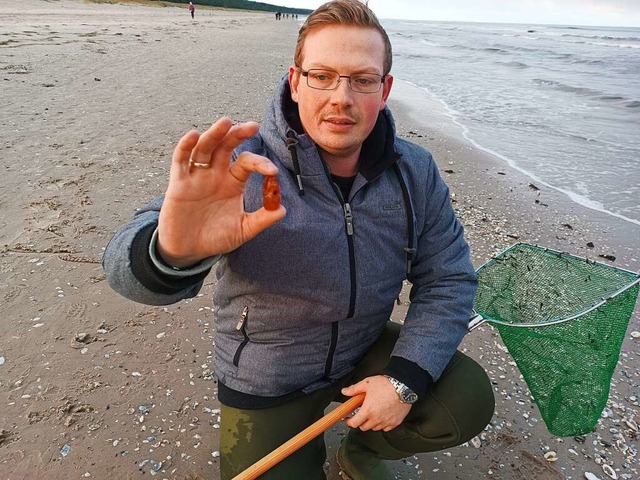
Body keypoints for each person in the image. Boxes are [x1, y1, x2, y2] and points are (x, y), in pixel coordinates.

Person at [102, 0, 495, 478]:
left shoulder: (415, 172)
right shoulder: (244, 166)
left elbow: (449, 278)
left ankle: (361, 451)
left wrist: (404, 380)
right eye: (322, 75)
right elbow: (125, 270)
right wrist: (171, 253)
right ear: (295, 80)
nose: (341, 98)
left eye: (362, 79)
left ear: (385, 88)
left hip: (362, 350)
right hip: (269, 374)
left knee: (466, 398)